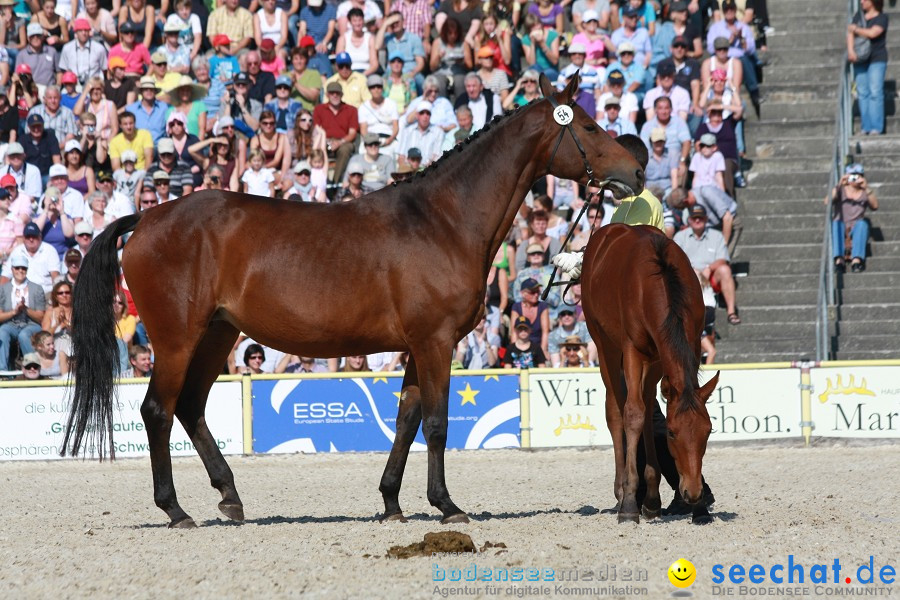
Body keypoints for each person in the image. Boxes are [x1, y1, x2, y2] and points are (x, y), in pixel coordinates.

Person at [674, 204, 740, 325]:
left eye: (700, 217)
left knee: (725, 269)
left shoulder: (716, 236)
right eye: (694, 218)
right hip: (688, 276)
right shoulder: (680, 236)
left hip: (710, 277)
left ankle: (731, 312)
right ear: (689, 220)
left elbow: (723, 259)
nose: (697, 220)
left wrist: (709, 268)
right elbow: (675, 259)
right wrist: (693, 271)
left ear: (706, 219)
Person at [690, 132, 738, 251]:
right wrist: (693, 191)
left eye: (708, 146)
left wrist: (721, 194)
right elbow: (695, 176)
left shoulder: (718, 156)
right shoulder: (696, 157)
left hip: (712, 189)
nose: (705, 149)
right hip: (699, 191)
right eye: (702, 146)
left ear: (714, 147)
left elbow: (719, 176)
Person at [848, 0, 888, 135]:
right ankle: (866, 127)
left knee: (875, 92)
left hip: (877, 58)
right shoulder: (858, 17)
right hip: (860, 59)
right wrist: (851, 51)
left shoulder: (882, 18)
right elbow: (849, 33)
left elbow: (873, 33)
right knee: (863, 93)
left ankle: (876, 127)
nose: (861, 2)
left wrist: (856, 29)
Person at [829, 163, 879, 273]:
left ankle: (856, 260)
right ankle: (839, 260)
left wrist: (866, 188)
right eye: (852, 175)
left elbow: (875, 206)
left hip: (856, 228)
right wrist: (839, 185)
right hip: (841, 225)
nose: (854, 178)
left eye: (858, 175)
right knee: (836, 223)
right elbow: (828, 201)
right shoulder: (840, 190)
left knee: (863, 224)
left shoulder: (865, 192)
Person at [0, 254, 46, 370]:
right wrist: (14, 312)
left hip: (31, 324)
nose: (20, 270)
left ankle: (33, 367)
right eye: (17, 268)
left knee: (24, 335)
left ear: (27, 269)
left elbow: (41, 317)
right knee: (2, 332)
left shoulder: (36, 288)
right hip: (10, 324)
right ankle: (2, 370)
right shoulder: (3, 289)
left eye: (23, 268)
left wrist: (25, 308)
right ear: (12, 269)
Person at [313, 81, 359, 185]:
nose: (335, 95)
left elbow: (352, 133)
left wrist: (339, 142)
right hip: (324, 140)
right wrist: (327, 142)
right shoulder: (319, 109)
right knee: (317, 149)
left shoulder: (351, 110)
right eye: (332, 93)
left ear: (342, 94)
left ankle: (335, 182)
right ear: (327, 95)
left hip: (343, 141)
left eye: (337, 93)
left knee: (345, 149)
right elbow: (317, 130)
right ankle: (319, 181)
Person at [357, 74, 400, 158]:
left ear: (382, 88)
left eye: (378, 87)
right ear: (369, 90)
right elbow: (363, 130)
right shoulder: (363, 107)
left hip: (388, 137)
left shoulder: (391, 104)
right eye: (373, 87)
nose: (376, 90)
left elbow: (395, 126)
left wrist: (389, 140)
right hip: (370, 138)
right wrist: (371, 142)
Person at [429, 17, 469, 99]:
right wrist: (439, 57)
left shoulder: (463, 44)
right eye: (450, 33)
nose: (453, 36)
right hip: (441, 73)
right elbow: (432, 67)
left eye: (455, 33)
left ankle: (461, 106)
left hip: (458, 72)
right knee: (439, 83)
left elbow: (470, 65)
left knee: (460, 82)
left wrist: (461, 62)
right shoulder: (437, 42)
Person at [58, 18, 107, 85]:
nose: (83, 33)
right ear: (76, 33)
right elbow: (63, 69)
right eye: (80, 31)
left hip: (93, 85)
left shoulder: (99, 48)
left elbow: (104, 69)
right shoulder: (67, 48)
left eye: (86, 30)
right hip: (73, 85)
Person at [510, 278, 550, 358]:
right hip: (521, 346)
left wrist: (541, 352)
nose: (536, 294)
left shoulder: (542, 306)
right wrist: (515, 352)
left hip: (538, 346)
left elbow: (545, 332)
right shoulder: (516, 307)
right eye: (532, 292)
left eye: (537, 291)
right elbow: (514, 332)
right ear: (523, 293)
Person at [397, 100, 443, 168]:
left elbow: (437, 155)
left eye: (428, 113)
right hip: (409, 170)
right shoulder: (407, 131)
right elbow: (401, 156)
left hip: (428, 171)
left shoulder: (438, 132)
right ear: (417, 115)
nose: (425, 116)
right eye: (422, 113)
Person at [15, 22, 60, 87]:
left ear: (42, 36)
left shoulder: (52, 51)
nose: (35, 38)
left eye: (38, 35)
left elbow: (59, 72)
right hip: (30, 90)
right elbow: (17, 75)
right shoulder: (21, 55)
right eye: (32, 36)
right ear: (28, 38)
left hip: (49, 90)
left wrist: (58, 86)